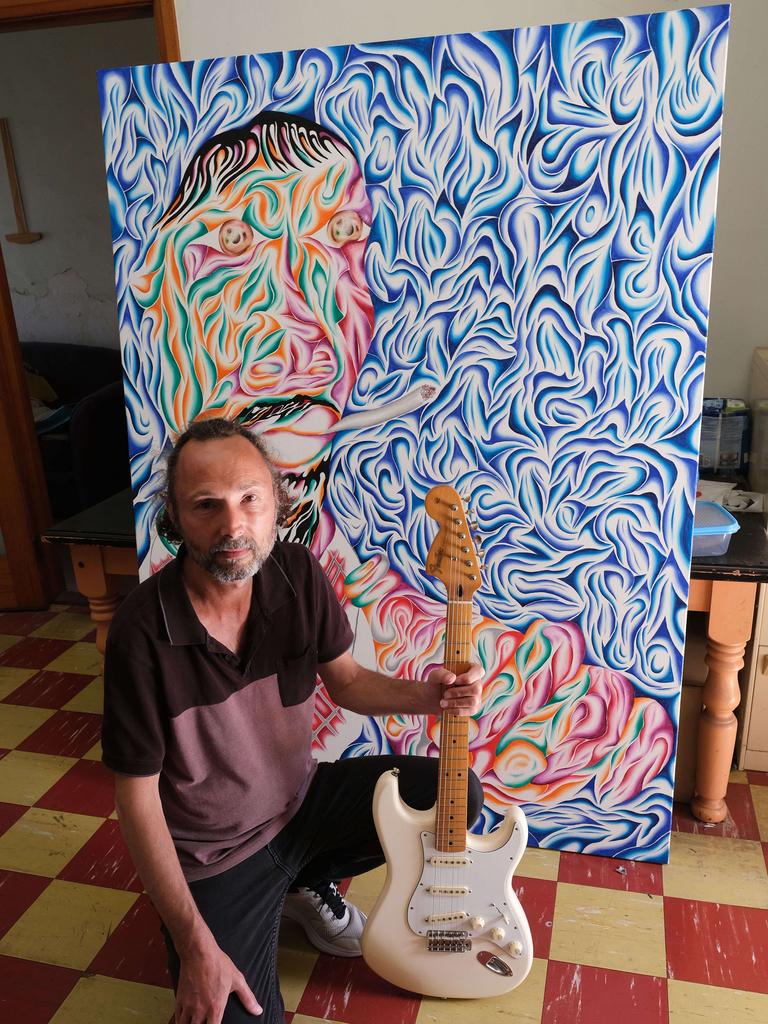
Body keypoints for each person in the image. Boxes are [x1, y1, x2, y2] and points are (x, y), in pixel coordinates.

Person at [102, 416, 484, 1024]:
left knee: (454, 790)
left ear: (277, 502)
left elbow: (350, 683)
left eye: (250, 499)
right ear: (173, 518)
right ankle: (242, 909)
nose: (234, 526)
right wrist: (196, 943)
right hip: (216, 855)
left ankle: (303, 882)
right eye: (207, 505)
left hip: (299, 807)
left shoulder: (297, 574)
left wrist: (430, 696)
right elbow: (137, 798)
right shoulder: (141, 632)